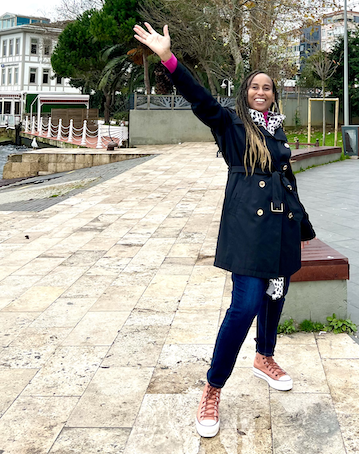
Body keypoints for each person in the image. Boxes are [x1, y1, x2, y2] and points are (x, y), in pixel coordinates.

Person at [133, 22, 316, 438]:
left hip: (283, 226)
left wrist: (303, 225)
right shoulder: (232, 125)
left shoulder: (278, 129)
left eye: (267, 87)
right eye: (255, 87)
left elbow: (287, 178)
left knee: (275, 298)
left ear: (275, 95)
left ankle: (264, 357)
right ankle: (213, 387)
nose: (261, 92)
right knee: (245, 304)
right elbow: (199, 100)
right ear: (245, 93)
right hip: (249, 229)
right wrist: (168, 58)